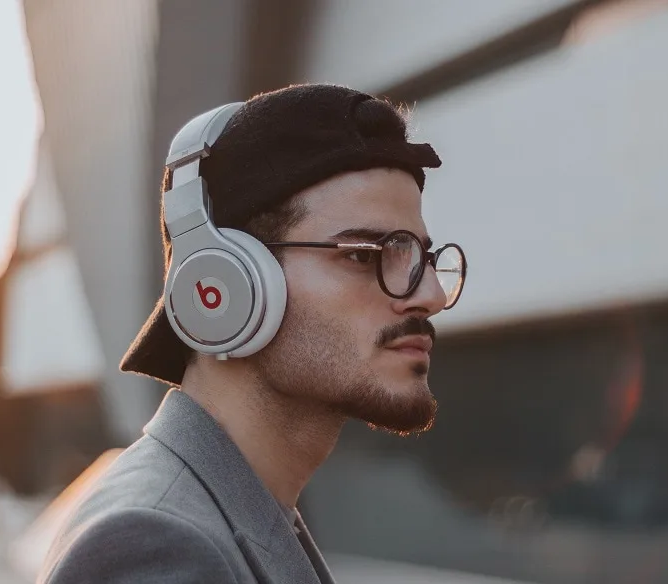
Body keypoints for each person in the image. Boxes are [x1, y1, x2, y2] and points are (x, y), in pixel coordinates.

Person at [38, 83, 466, 584]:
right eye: (364, 255)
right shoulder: (155, 546)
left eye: (421, 257)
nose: (430, 295)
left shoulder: (239, 512)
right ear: (223, 286)